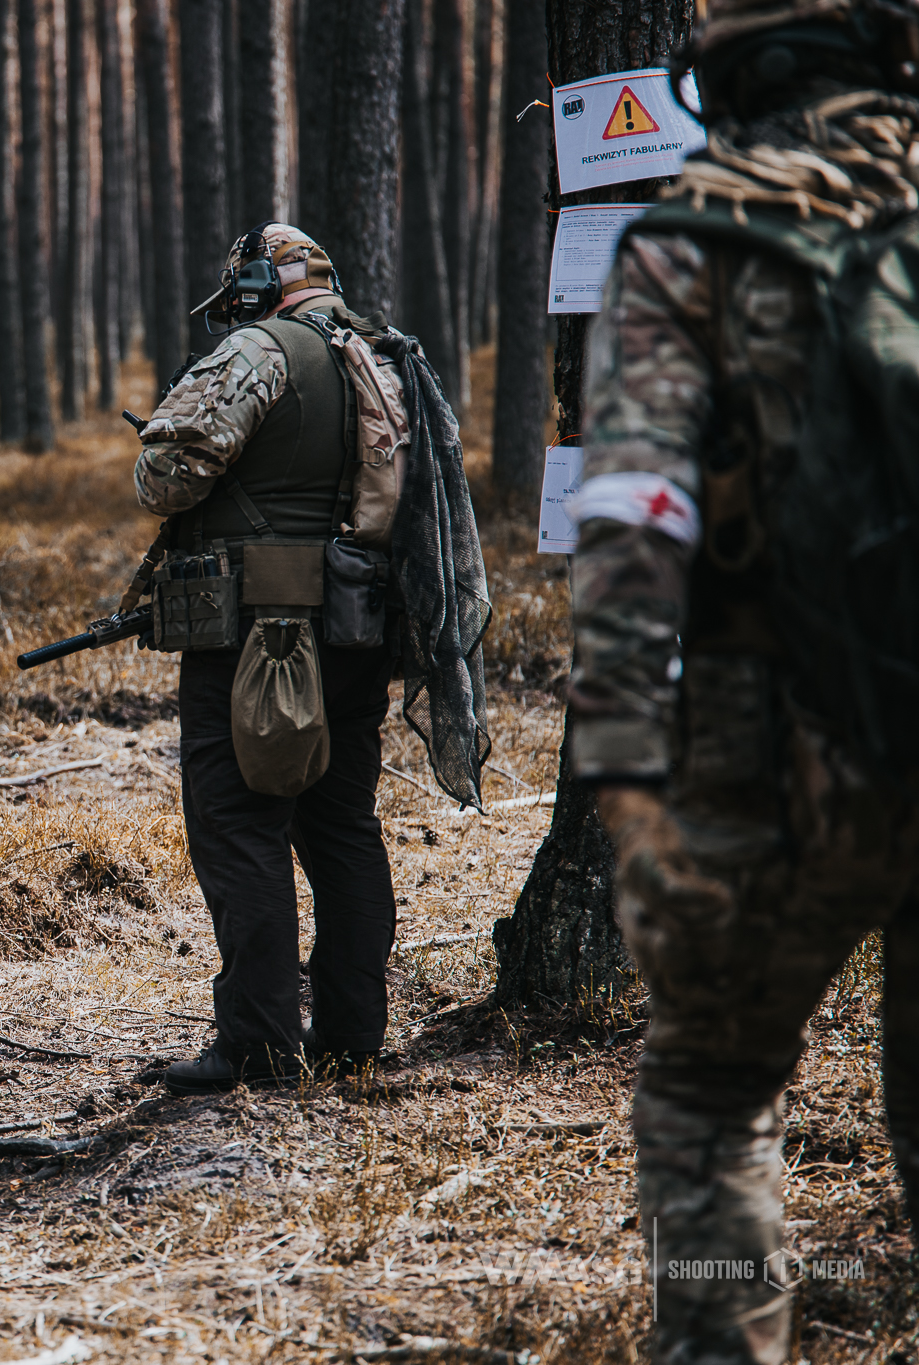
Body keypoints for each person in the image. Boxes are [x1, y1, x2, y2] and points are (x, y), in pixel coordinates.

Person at [574, 3, 919, 1359]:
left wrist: (618, 759)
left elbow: (633, 510)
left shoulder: (687, 247)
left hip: (770, 760)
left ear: (719, 86)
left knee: (712, 1095)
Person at [129, 224, 488, 1093]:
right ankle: (353, 1037)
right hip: (359, 631)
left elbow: (166, 477)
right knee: (341, 827)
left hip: (253, 637)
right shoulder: (388, 356)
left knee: (239, 823)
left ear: (259, 283)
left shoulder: (261, 350)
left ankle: (255, 1045)